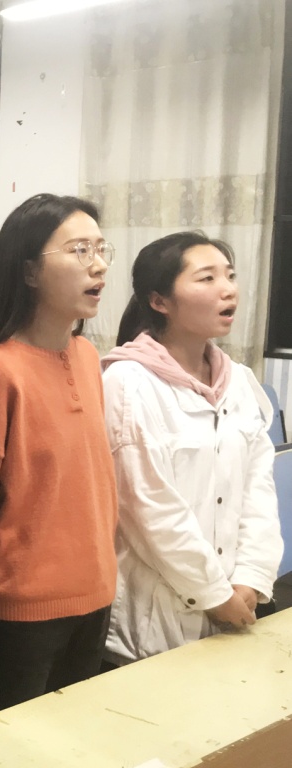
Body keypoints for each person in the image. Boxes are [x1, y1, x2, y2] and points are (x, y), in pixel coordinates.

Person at [0, 194, 118, 722]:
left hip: (94, 596)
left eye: (101, 248)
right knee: (4, 756)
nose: (98, 264)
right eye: (79, 249)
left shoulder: (87, 355)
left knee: (72, 749)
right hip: (15, 611)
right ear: (28, 271)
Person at [102, 231, 282, 664]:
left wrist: (250, 579)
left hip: (235, 605)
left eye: (230, 276)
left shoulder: (240, 381)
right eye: (206, 278)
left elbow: (259, 491)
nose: (228, 289)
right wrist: (214, 595)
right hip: (152, 623)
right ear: (159, 301)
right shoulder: (128, 382)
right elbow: (149, 510)